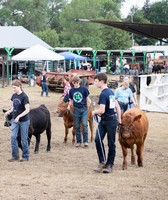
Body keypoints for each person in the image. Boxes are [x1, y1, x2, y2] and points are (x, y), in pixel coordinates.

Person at [92, 73, 121, 173]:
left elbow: (102, 110)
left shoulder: (104, 94)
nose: (94, 83)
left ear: (101, 81)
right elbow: (117, 107)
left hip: (110, 121)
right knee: (97, 140)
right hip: (106, 120)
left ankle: (109, 164)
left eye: (95, 81)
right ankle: (102, 161)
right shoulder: (111, 92)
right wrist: (119, 121)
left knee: (111, 143)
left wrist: (94, 112)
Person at [4, 80, 30, 162]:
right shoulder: (14, 95)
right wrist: (9, 111)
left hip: (24, 121)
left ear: (19, 86)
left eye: (14, 88)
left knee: (24, 138)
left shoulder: (24, 97)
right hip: (15, 120)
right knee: (12, 137)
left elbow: (27, 110)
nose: (13, 89)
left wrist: (19, 116)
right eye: (13, 88)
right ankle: (15, 156)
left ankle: (25, 156)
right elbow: (14, 107)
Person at [69, 76, 90, 147]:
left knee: (84, 124)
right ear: (73, 83)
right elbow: (71, 100)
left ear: (79, 82)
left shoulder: (84, 89)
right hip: (76, 109)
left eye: (77, 82)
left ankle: (86, 141)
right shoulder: (71, 91)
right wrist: (69, 105)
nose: (76, 84)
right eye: (74, 83)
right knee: (77, 126)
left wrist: (90, 104)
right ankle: (78, 141)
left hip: (84, 109)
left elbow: (87, 98)